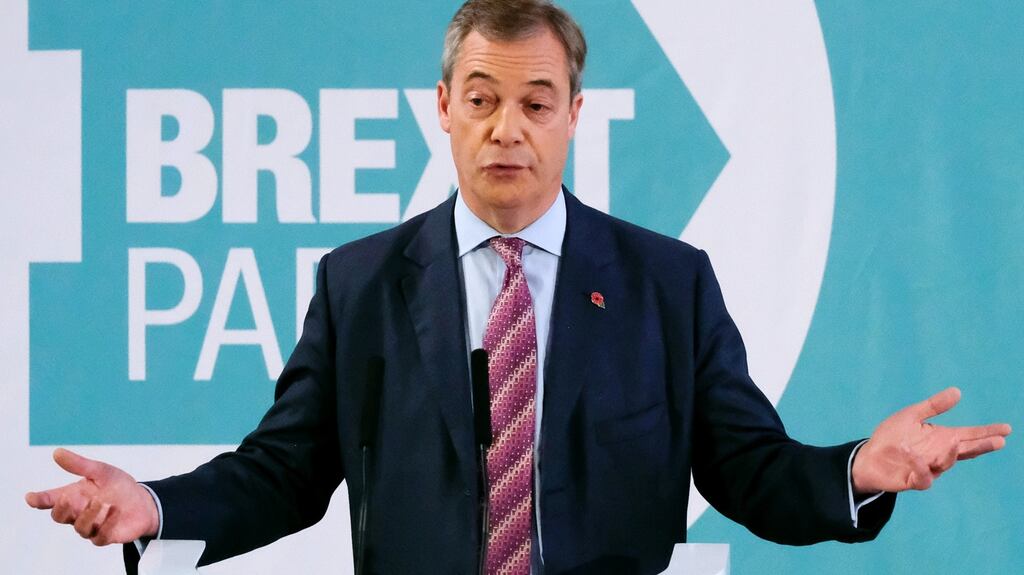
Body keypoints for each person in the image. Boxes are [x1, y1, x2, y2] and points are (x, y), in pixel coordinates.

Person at [26, 1, 1011, 574]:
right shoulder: (360, 283)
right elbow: (282, 471)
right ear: (444, 108)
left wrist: (856, 471)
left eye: (535, 103)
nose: (508, 127)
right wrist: (155, 503)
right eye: (484, 100)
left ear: (574, 113)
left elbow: (748, 469)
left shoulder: (667, 285)